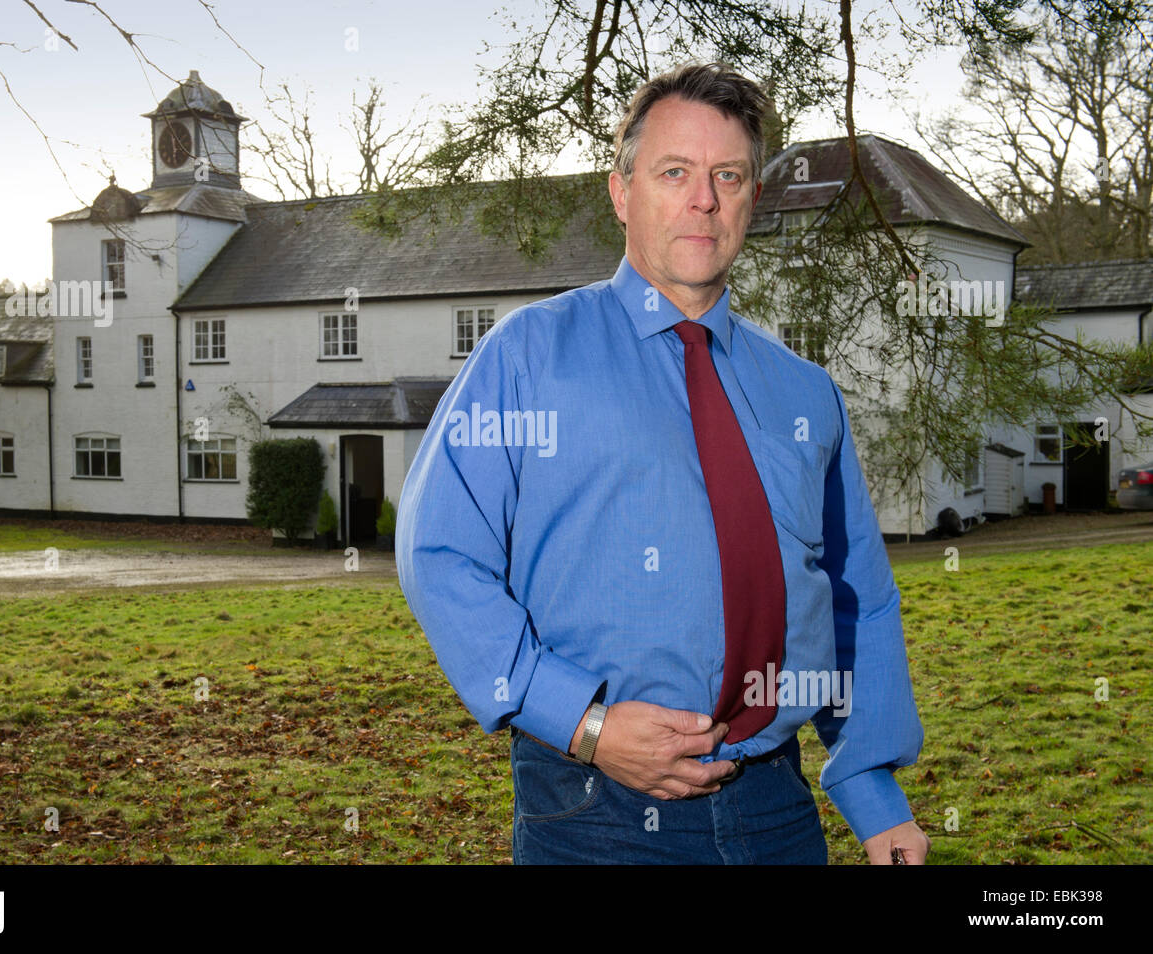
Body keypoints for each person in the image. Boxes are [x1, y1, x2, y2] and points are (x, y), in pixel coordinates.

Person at [395, 61, 928, 865]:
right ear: (622, 192)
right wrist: (584, 722)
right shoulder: (528, 357)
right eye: (674, 172)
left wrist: (874, 792)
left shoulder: (806, 393)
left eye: (729, 176)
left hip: (777, 811)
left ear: (752, 196)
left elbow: (857, 597)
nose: (703, 199)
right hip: (595, 811)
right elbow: (438, 555)